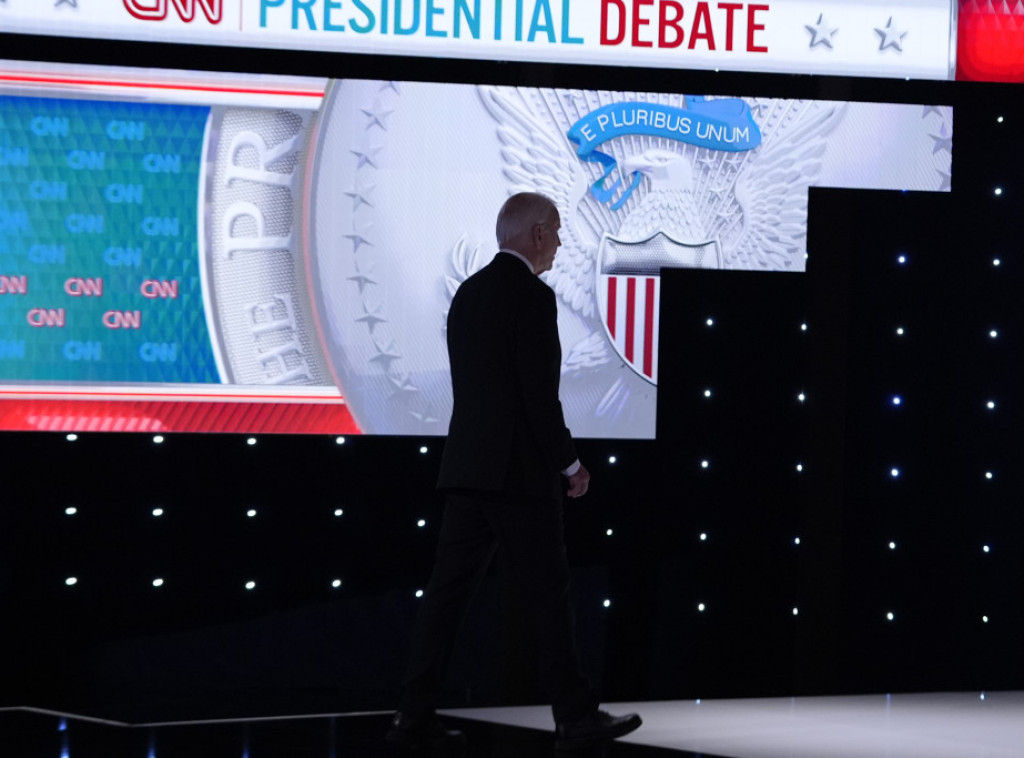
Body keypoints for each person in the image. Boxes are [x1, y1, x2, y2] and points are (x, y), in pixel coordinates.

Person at [386, 192, 642, 751]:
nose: (560, 243)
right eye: (557, 231)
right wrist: (570, 463)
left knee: (445, 598)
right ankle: (575, 717)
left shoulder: (468, 292)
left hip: (467, 470)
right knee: (549, 598)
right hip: (518, 476)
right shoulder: (531, 296)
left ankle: (412, 714)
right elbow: (536, 395)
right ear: (536, 233)